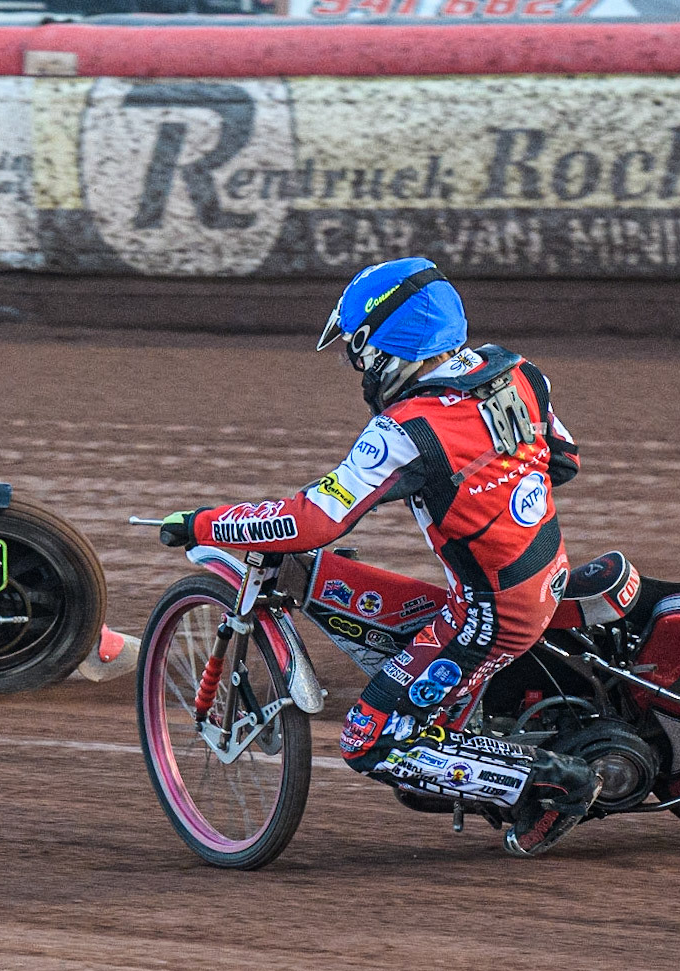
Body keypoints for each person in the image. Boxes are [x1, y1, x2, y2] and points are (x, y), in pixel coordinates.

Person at [159, 257, 601, 857]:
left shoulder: (405, 429)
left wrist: (204, 522)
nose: (356, 366)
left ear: (383, 344)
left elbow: (313, 519)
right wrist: (475, 484)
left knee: (367, 741)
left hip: (491, 615)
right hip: (541, 571)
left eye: (356, 351)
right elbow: (564, 459)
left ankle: (549, 786)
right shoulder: (517, 371)